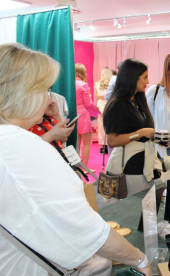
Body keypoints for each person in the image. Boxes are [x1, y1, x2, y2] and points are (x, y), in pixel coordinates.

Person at [0, 43, 152, 275]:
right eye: (45, 89)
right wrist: (139, 258)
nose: (48, 97)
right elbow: (85, 230)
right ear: (25, 94)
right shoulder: (21, 146)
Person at [104, 58, 162, 197]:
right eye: (145, 77)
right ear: (132, 78)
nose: (148, 82)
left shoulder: (136, 101)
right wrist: (140, 133)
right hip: (129, 167)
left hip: (142, 165)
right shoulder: (117, 105)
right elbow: (112, 140)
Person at [75, 63, 99, 171]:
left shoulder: (71, 84)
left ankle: (76, 166)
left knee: (77, 143)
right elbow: (88, 103)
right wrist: (97, 109)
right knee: (87, 143)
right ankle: (84, 168)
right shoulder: (83, 84)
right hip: (83, 115)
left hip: (73, 114)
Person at [94, 66, 112, 152]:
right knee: (110, 125)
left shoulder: (97, 84)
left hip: (100, 106)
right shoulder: (112, 84)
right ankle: (110, 143)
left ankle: (102, 146)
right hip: (109, 105)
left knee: (101, 126)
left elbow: (97, 96)